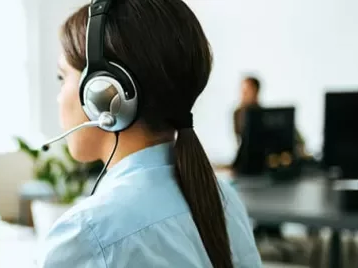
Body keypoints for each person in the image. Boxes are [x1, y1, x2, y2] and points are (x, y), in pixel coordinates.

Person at [39, 0, 262, 267]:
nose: (58, 98)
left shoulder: (88, 235)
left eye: (62, 78)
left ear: (104, 93)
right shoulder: (223, 199)